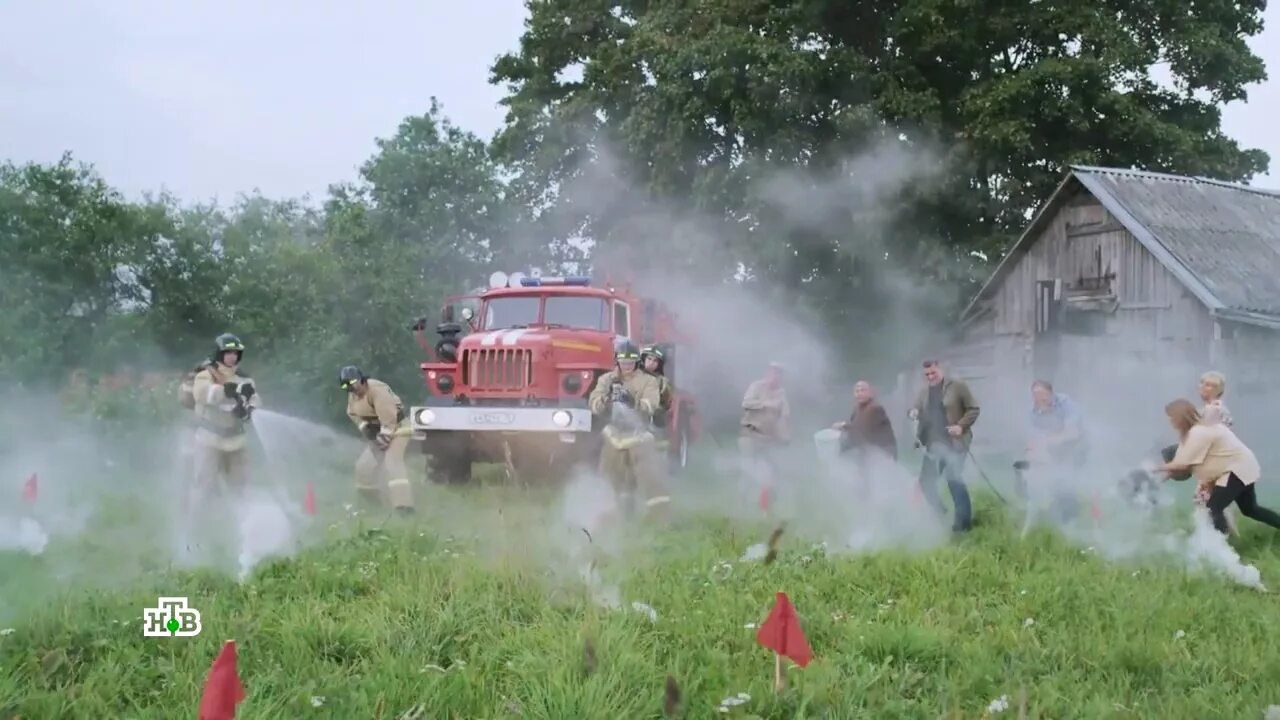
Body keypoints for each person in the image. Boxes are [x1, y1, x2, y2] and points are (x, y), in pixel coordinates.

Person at [1159, 398, 1280, 537]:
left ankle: (1222, 544)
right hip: (1242, 467)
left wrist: (1151, 470)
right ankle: (1222, 541)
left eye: (1171, 417)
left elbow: (1180, 465)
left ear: (1180, 417)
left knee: (1213, 509)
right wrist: (1156, 479)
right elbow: (1178, 467)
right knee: (1250, 509)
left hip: (1237, 469)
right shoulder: (1193, 434)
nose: (1170, 421)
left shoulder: (1197, 433)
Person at [588, 338, 670, 519]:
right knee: (611, 481)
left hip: (639, 437)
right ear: (617, 360)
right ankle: (618, 518)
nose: (627, 366)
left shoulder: (648, 381)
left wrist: (633, 402)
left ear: (637, 361)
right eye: (623, 361)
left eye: (631, 362)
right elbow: (593, 404)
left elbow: (651, 405)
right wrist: (606, 400)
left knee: (651, 479)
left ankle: (661, 519)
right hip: (613, 437)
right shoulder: (606, 380)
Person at [909, 359, 980, 532]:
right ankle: (941, 514)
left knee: (953, 477)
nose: (930, 377)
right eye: (927, 374)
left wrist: (960, 426)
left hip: (955, 443)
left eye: (933, 373)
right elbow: (915, 409)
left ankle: (963, 524)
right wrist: (913, 412)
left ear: (940, 369)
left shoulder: (957, 386)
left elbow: (973, 409)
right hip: (933, 444)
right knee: (925, 482)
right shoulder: (924, 392)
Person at [189, 333, 260, 500]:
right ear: (219, 353)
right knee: (204, 483)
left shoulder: (244, 378)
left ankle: (240, 514)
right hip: (209, 439)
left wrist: (248, 410)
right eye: (228, 353)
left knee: (240, 484)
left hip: (236, 441)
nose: (232, 356)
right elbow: (201, 393)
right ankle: (199, 514)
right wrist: (226, 391)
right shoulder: (206, 374)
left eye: (235, 353)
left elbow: (255, 398)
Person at [341, 365, 415, 515]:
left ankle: (404, 507)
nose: (351, 388)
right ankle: (374, 506)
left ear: (362, 379)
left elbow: (389, 418)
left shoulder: (376, 390)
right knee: (363, 467)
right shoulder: (353, 394)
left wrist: (383, 438)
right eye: (346, 386)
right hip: (378, 432)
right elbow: (351, 412)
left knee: (392, 462)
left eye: (353, 383)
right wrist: (365, 428)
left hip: (398, 428)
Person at [1016, 380, 1087, 522]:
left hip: (1077, 444)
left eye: (1042, 397)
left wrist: (1046, 442)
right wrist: (1032, 451)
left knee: (1066, 478)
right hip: (1053, 448)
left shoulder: (1066, 404)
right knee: (1049, 477)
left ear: (1051, 394)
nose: (1038, 400)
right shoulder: (1033, 411)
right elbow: (1033, 437)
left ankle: (1070, 518)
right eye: (1035, 397)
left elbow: (1072, 432)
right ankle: (1053, 512)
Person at [739, 362, 790, 498]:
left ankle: (767, 499)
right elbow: (746, 404)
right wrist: (765, 405)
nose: (776, 377)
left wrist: (785, 434)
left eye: (779, 374)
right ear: (767, 374)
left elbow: (784, 416)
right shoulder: (756, 387)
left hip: (768, 438)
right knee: (749, 467)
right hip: (750, 435)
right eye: (773, 373)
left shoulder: (781, 394)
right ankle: (744, 497)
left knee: (770, 469)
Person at [832, 380, 897, 463]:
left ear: (870, 393)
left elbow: (860, 428)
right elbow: (853, 431)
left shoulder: (875, 408)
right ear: (854, 394)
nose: (860, 393)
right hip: (868, 450)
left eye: (863, 390)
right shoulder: (857, 409)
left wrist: (843, 425)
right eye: (857, 391)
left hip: (884, 452)